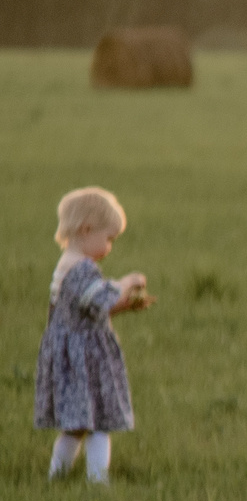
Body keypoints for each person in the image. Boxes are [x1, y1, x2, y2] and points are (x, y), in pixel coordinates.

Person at [35, 187, 151, 485]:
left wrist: (125, 306)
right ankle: (97, 482)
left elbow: (88, 309)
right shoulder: (80, 268)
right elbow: (102, 298)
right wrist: (127, 282)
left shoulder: (66, 265)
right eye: (109, 238)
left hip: (74, 356)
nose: (110, 246)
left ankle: (56, 477)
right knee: (99, 423)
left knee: (76, 426)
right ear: (86, 229)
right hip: (84, 360)